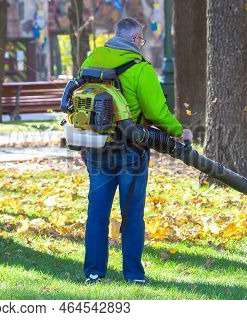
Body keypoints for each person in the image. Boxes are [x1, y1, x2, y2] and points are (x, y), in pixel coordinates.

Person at [79, 17, 191, 284]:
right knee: (131, 214)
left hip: (96, 147)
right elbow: (156, 111)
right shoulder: (141, 68)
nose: (142, 43)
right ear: (134, 38)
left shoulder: (91, 59)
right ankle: (133, 275)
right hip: (132, 150)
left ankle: (93, 273)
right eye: (141, 39)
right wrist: (179, 131)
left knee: (97, 212)